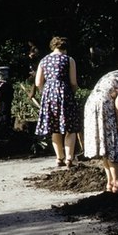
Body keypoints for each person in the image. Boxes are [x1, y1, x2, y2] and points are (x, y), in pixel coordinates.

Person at [35, 36, 81, 168]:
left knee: (54, 127)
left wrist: (45, 92)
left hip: (48, 94)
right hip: (64, 94)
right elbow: (73, 82)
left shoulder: (44, 60)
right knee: (70, 128)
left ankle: (59, 158)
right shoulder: (69, 59)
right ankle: (69, 158)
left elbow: (38, 82)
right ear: (65, 48)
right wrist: (72, 93)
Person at [83, 68, 118, 193]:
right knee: (111, 144)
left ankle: (110, 182)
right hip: (104, 104)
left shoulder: (115, 73)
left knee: (104, 145)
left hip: (91, 104)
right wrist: (117, 123)